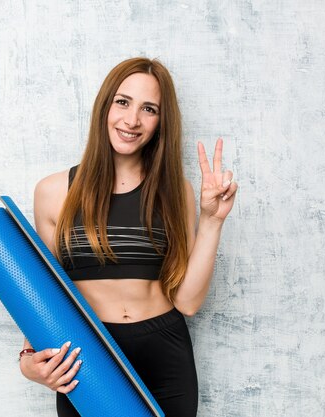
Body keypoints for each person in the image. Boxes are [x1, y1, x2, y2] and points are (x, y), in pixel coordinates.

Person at [18, 57, 238, 417]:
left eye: (149, 109)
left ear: (160, 123)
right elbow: (45, 296)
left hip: (165, 357)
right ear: (105, 106)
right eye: (123, 102)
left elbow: (188, 303)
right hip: (87, 356)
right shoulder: (53, 191)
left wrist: (211, 221)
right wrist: (28, 359)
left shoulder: (175, 192)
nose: (132, 119)